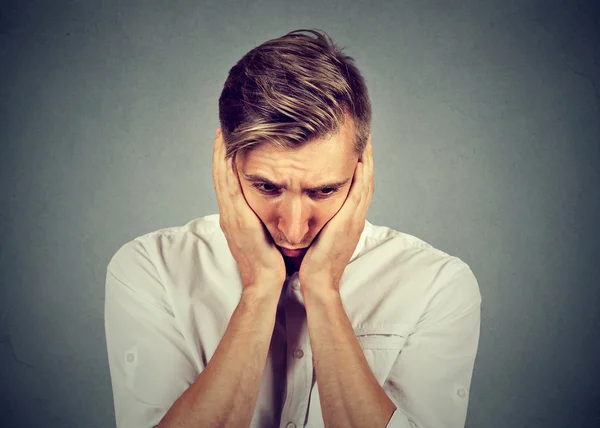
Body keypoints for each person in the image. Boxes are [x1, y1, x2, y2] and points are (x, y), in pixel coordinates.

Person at [104, 29, 481, 428]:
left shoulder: (437, 284)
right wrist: (260, 288)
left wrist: (323, 290)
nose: (294, 230)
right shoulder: (150, 269)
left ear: (361, 170)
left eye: (323, 190)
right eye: (267, 187)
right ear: (225, 166)